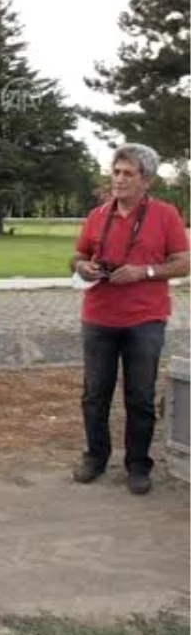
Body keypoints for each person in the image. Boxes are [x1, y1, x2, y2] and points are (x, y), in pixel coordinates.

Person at [70, 143, 191, 495]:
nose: (119, 179)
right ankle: (95, 457)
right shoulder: (97, 215)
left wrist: (145, 271)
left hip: (145, 319)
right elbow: (78, 255)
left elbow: (184, 261)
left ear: (146, 181)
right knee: (95, 393)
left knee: (139, 395)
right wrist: (83, 266)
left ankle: (138, 465)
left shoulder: (166, 215)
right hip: (98, 317)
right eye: (116, 171)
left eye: (128, 174)